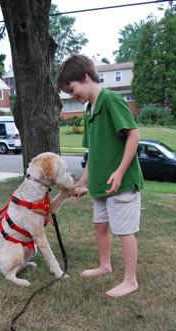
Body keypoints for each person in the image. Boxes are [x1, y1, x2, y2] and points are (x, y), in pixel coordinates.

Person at [57, 55, 144, 298]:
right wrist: (82, 181)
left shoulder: (111, 100)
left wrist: (119, 171)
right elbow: (93, 152)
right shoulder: (89, 110)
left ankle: (130, 280)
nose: (71, 95)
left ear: (85, 78)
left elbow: (134, 136)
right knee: (100, 225)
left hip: (122, 183)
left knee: (124, 230)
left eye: (72, 89)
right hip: (100, 186)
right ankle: (105, 266)